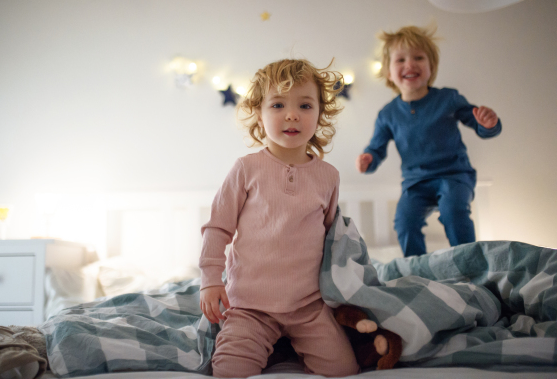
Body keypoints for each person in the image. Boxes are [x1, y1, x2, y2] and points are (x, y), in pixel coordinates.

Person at [199, 59, 360, 378]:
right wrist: (211, 280)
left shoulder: (328, 177)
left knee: (344, 370)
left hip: (308, 306)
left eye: (305, 104)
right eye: (277, 104)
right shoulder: (247, 169)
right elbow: (218, 227)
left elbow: (330, 239)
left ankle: (288, 343)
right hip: (249, 304)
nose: (292, 114)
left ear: (319, 114)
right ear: (259, 113)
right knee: (229, 371)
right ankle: (269, 342)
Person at [357, 25, 502, 257]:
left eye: (418, 57)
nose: (410, 64)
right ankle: (418, 271)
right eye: (400, 59)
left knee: (454, 210)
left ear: (431, 66)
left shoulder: (448, 98)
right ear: (388, 72)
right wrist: (369, 159)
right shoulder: (388, 114)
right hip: (416, 183)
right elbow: (376, 148)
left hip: (454, 175)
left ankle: (469, 264)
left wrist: (488, 124)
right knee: (405, 221)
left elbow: (478, 124)